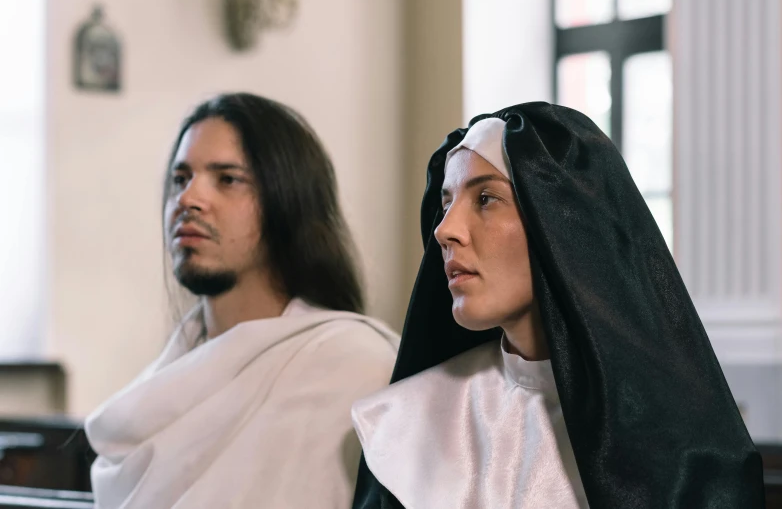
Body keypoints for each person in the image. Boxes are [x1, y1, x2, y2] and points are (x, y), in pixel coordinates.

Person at [351, 103, 764, 508]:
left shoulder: (683, 444)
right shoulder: (403, 429)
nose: (444, 230)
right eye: (445, 204)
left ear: (562, 223)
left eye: (486, 199)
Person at [85, 93, 399, 509]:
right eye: (181, 179)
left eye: (227, 179)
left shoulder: (351, 364)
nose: (189, 199)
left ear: (287, 201)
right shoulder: (169, 378)